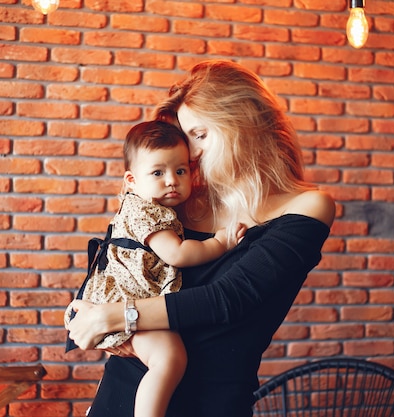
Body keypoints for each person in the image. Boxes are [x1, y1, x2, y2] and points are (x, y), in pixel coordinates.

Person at [67, 59, 336, 417]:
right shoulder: (182, 199)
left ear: (241, 121)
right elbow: (123, 264)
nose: (191, 153)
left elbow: (227, 300)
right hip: (120, 398)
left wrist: (115, 318)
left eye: (200, 134)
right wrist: (94, 314)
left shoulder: (308, 206)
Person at [64, 120, 245, 417]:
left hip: (124, 298)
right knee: (169, 358)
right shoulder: (146, 211)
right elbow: (177, 254)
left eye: (181, 171)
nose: (172, 180)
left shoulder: (146, 207)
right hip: (122, 299)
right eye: (158, 173)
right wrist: (222, 242)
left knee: (164, 357)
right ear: (132, 181)